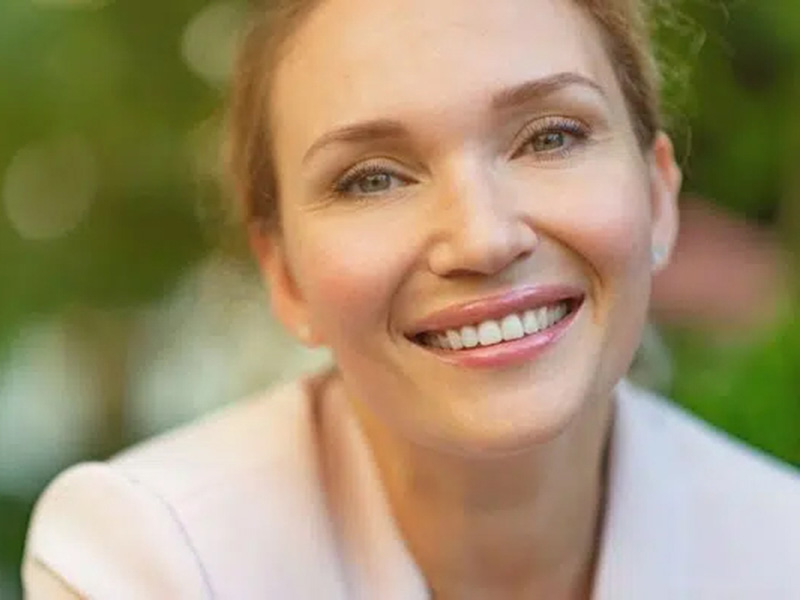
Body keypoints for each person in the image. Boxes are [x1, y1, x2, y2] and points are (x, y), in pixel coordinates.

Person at [22, 0, 800, 598]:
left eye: (551, 136)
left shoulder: (780, 552)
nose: (484, 240)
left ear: (659, 197)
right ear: (286, 277)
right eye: (372, 179)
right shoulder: (152, 555)